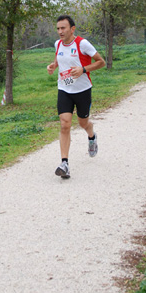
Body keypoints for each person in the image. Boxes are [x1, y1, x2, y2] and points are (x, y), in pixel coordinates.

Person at [47, 15, 106, 179]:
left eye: (63, 28)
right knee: (65, 124)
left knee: (83, 122)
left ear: (72, 29)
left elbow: (101, 62)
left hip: (82, 90)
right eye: (58, 28)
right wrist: (53, 66)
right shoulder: (57, 44)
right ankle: (64, 163)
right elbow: (58, 59)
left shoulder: (82, 43)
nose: (60, 31)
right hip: (64, 89)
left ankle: (92, 136)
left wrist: (83, 70)